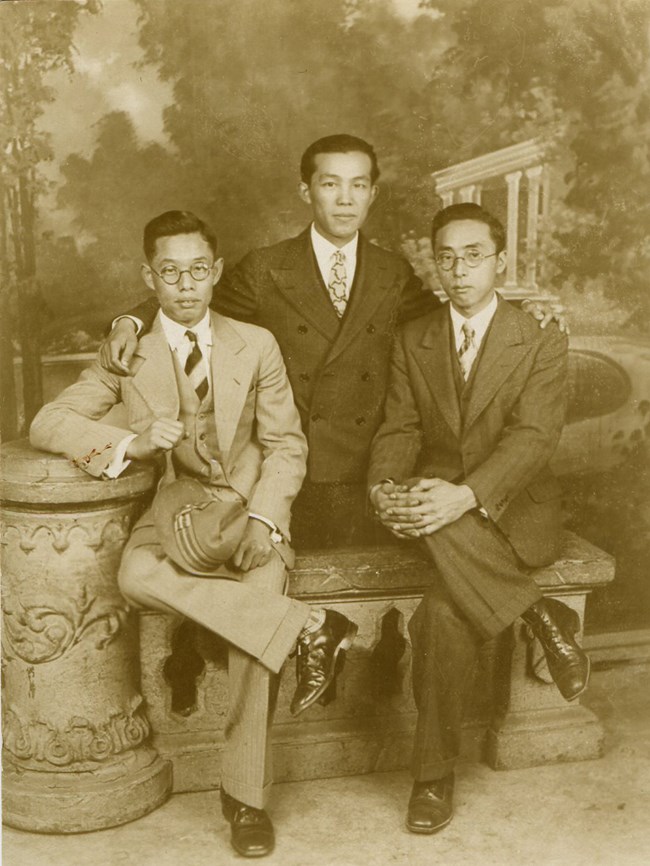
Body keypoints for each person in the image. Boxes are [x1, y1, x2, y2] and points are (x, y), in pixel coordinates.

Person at [29, 210, 357, 859]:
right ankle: (308, 627)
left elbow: (286, 444)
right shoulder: (127, 355)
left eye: (196, 271)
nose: (184, 285)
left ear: (215, 272)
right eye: (169, 272)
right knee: (135, 575)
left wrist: (265, 517)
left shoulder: (253, 344)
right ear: (149, 277)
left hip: (250, 512)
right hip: (174, 513)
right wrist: (129, 440)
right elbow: (49, 421)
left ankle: (244, 800)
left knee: (257, 610)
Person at [100, 135, 564, 548]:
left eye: (358, 185)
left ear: (372, 195)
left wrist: (523, 315)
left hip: (371, 473)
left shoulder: (392, 271)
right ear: (306, 192)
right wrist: (130, 320)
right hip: (294, 470)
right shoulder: (268, 268)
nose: (345, 200)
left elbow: (459, 315)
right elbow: (191, 299)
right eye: (330, 185)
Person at [368, 203, 589, 836]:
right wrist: (385, 486)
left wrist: (463, 497)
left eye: (473, 256)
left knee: (440, 553)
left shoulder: (540, 333)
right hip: (443, 513)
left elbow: (534, 438)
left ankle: (434, 776)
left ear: (499, 262)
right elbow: (400, 427)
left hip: (513, 510)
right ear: (433, 264)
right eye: (446, 257)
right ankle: (536, 613)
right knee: (439, 613)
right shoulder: (416, 337)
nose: (459, 270)